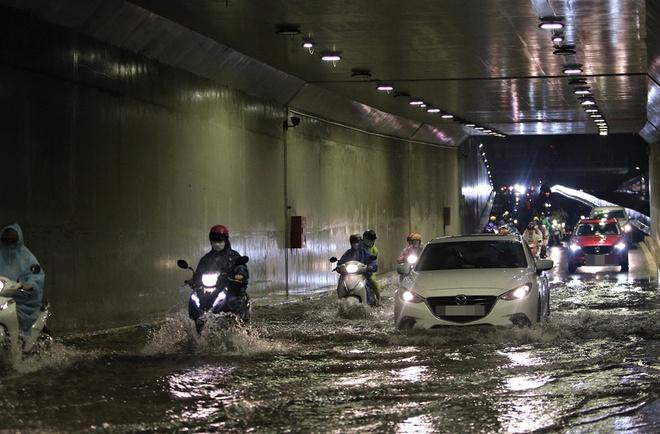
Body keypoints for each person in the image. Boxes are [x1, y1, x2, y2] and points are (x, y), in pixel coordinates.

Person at [191, 225, 249, 319]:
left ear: (225, 240)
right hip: (211, 288)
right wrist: (194, 278)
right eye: (215, 241)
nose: (217, 244)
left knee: (233, 301)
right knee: (195, 297)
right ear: (211, 241)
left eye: (220, 241)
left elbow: (241, 266)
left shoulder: (233, 256)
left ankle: (239, 324)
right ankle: (195, 320)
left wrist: (240, 274)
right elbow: (200, 271)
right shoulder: (206, 258)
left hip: (229, 287)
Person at [0, 224, 46, 335]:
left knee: (17, 316)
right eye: (7, 241)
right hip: (2, 297)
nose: (9, 245)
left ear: (18, 240)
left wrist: (29, 285)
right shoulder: (0, 256)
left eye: (12, 241)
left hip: (22, 300)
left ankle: (20, 342)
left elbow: (36, 276)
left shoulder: (27, 258)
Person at [338, 233, 378, 306]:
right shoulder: (348, 253)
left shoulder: (365, 253)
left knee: (367, 287)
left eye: (357, 242)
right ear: (351, 243)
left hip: (362, 275)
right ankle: (339, 301)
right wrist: (338, 267)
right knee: (341, 283)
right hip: (348, 275)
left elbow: (372, 263)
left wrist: (371, 266)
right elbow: (341, 262)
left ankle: (370, 303)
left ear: (360, 242)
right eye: (353, 242)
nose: (355, 244)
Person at [362, 230, 382, 305]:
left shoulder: (375, 251)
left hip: (369, 270)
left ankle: (378, 298)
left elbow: (375, 263)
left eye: (370, 239)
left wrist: (371, 267)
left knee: (372, 281)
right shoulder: (359, 247)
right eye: (366, 239)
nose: (368, 241)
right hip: (358, 269)